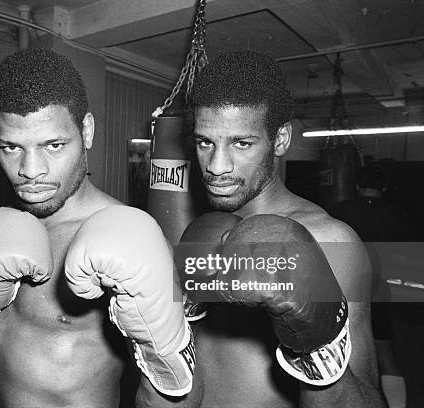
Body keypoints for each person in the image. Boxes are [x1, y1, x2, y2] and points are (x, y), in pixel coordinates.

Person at [0, 48, 199, 408]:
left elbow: (182, 404)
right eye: (10, 147)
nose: (31, 171)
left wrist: (160, 352)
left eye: (53, 145)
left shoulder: (136, 241)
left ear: (86, 130)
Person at [175, 50, 385, 407]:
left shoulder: (328, 239)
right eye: (205, 142)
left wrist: (318, 348)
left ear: (281, 139)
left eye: (241, 143)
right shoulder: (202, 231)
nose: (217, 166)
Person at [328, 164, 409, 408]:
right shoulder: (398, 215)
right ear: (383, 187)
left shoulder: (337, 212)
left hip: (344, 285)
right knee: (384, 352)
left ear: (355, 186)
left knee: (340, 350)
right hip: (380, 286)